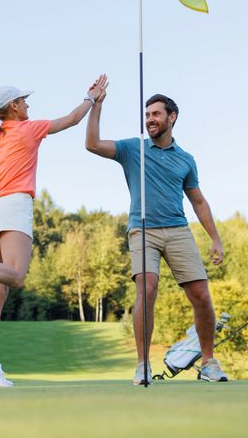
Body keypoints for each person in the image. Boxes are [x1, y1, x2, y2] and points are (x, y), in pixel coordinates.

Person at [0, 74, 109, 388]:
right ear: (14, 107)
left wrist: (0, 174)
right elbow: (73, 120)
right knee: (17, 275)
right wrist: (91, 97)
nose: (28, 104)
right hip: (14, 208)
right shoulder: (28, 128)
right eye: (23, 101)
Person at [85, 92, 228, 383]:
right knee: (146, 289)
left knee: (201, 295)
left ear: (171, 117)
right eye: (147, 115)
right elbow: (92, 144)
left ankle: (209, 363)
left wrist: (215, 238)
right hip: (143, 229)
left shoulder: (186, 160)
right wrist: (96, 106)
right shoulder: (133, 149)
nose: (150, 119)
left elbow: (198, 201)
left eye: (156, 114)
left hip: (178, 230)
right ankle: (142, 365)